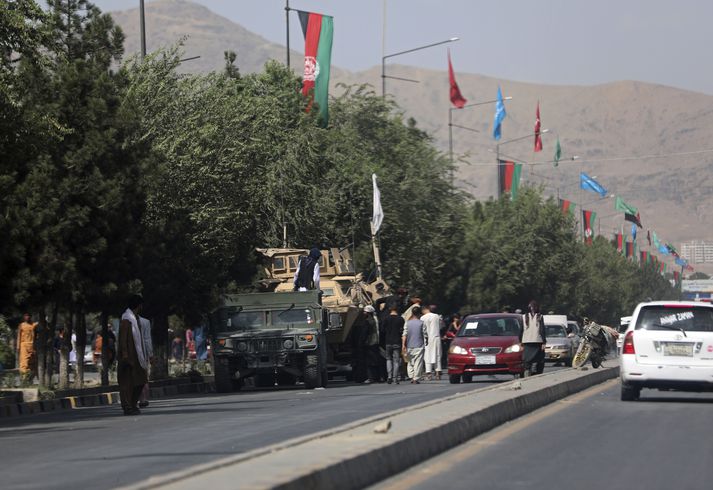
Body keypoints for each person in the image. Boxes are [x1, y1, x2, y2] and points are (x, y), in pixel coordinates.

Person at [118, 295, 149, 415]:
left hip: (137, 355)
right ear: (139, 305)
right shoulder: (126, 319)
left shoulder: (135, 319)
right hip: (129, 356)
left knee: (141, 380)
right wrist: (125, 355)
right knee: (127, 382)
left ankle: (132, 404)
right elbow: (123, 339)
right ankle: (127, 406)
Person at [521, 300, 547, 376]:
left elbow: (521, 330)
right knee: (539, 358)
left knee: (527, 359)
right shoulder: (540, 316)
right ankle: (537, 372)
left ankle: (527, 370)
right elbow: (542, 330)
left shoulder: (523, 317)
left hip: (526, 341)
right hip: (537, 341)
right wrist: (544, 342)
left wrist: (520, 341)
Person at [402, 306, 426, 384]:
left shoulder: (407, 323)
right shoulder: (421, 323)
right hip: (419, 344)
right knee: (418, 362)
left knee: (410, 362)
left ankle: (411, 376)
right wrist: (427, 341)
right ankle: (416, 378)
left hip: (409, 345)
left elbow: (404, 334)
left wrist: (403, 345)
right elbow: (425, 334)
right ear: (419, 314)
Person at [381, 306, 405, 384]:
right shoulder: (401, 319)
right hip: (397, 341)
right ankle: (395, 378)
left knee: (388, 359)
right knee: (396, 361)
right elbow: (402, 330)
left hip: (388, 341)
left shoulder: (386, 319)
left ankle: (389, 376)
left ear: (390, 310)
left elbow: (382, 330)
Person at [421, 305, 442, 380]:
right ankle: (438, 373)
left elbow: (423, 329)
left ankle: (428, 373)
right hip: (436, 337)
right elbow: (441, 326)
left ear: (424, 310)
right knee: (437, 355)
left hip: (427, 338)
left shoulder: (423, 318)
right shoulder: (436, 316)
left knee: (427, 356)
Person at [16, 313, 37, 385]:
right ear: (23, 317)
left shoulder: (33, 325)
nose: (27, 317)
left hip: (32, 346)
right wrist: (18, 347)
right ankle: (24, 380)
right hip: (24, 345)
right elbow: (19, 336)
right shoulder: (21, 325)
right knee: (24, 363)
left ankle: (30, 380)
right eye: (25, 315)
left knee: (33, 364)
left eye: (28, 315)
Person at [138, 316, 153, 408]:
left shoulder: (125, 319)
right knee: (143, 377)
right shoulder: (145, 322)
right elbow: (147, 339)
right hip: (142, 354)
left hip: (133, 354)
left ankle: (140, 398)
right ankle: (143, 399)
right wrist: (150, 354)